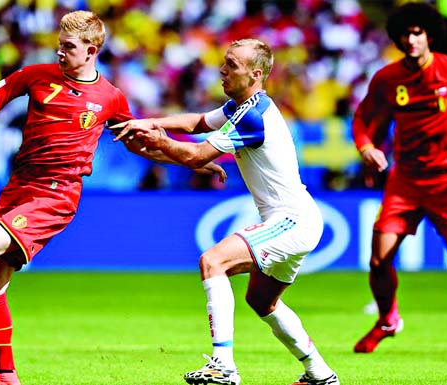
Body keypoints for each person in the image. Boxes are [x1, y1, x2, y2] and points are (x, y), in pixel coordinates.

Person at [0, 10, 224, 385]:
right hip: (19, 186)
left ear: (91, 51)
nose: (61, 52)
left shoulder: (109, 98)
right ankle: (7, 376)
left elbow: (141, 143)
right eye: (59, 45)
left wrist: (193, 160)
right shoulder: (35, 76)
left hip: (56, 194)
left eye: (69, 47)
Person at [113, 38, 339, 385]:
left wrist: (157, 139)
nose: (222, 70)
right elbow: (197, 123)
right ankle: (320, 374)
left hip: (292, 219)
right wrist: (151, 124)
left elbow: (194, 155)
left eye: (232, 65)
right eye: (224, 62)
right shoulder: (241, 107)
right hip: (293, 219)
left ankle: (223, 365)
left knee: (213, 261)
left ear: (255, 73)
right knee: (262, 302)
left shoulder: (253, 116)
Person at [351, 2, 447, 354]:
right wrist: (366, 148)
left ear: (429, 35)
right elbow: (362, 118)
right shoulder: (387, 78)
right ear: (397, 38)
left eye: (417, 33)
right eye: (405, 34)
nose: (411, 40)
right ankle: (388, 318)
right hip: (405, 181)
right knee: (378, 260)